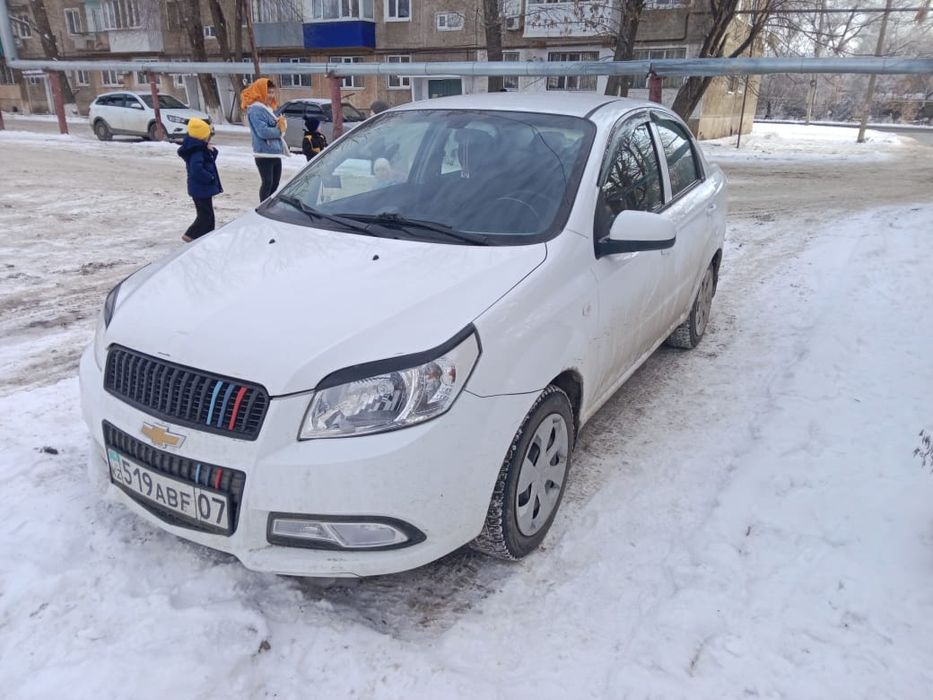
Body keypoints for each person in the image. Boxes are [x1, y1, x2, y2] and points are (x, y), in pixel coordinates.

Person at [177, 118, 222, 243]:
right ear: (202, 136)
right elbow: (196, 169)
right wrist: (209, 177)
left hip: (202, 188)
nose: (209, 138)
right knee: (205, 215)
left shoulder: (199, 148)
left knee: (208, 214)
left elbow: (209, 160)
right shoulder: (197, 151)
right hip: (200, 188)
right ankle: (191, 234)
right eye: (207, 135)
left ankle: (208, 234)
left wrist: (212, 151)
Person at [241, 77, 287, 202]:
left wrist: (281, 123)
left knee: (274, 184)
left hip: (274, 152)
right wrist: (280, 130)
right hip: (264, 154)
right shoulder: (255, 110)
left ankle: (269, 206)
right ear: (260, 92)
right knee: (267, 183)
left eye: (272, 92)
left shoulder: (267, 108)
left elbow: (272, 126)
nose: (271, 95)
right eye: (268, 92)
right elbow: (263, 132)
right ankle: (263, 207)